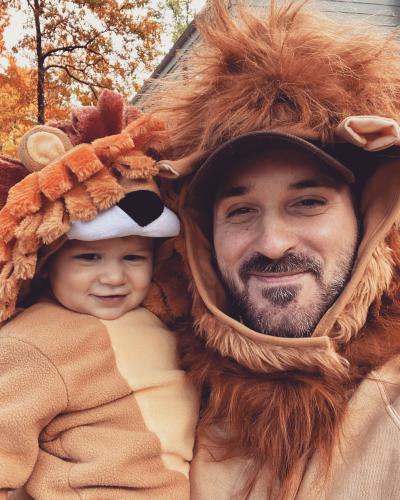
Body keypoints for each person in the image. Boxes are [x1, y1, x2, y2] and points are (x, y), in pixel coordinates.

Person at [147, 1, 400, 498]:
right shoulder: (149, 382)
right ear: (202, 235)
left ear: (366, 215)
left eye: (307, 202)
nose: (273, 243)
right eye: (240, 211)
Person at [0, 124, 198, 499]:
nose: (113, 277)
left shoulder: (160, 320)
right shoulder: (33, 341)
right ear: (48, 265)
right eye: (89, 257)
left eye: (133, 257)